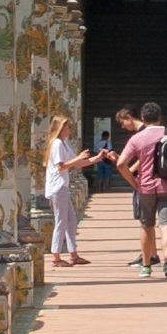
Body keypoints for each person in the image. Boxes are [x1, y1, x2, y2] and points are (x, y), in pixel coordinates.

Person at [119, 100, 167, 278]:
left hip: (146, 187)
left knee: (146, 225)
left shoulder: (137, 138)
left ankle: (146, 265)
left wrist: (134, 183)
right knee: (166, 225)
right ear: (160, 117)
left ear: (143, 118)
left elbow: (121, 164)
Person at [43, 113, 107, 265]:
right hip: (57, 186)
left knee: (71, 220)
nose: (69, 129)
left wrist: (98, 158)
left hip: (62, 186)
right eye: (67, 127)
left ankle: (73, 254)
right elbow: (61, 166)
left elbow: (78, 163)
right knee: (61, 220)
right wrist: (79, 157)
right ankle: (55, 257)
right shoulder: (57, 144)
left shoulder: (64, 144)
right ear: (60, 128)